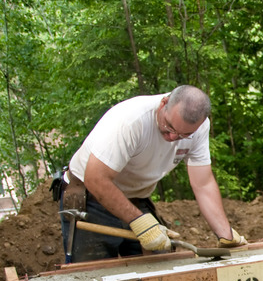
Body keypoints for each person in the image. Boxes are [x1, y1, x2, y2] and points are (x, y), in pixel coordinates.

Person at [59, 85, 247, 263]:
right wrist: (139, 221)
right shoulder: (131, 121)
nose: (173, 138)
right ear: (164, 103)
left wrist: (226, 235)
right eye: (169, 127)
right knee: (94, 279)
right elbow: (96, 178)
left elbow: (203, 184)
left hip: (135, 199)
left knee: (156, 271)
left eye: (183, 135)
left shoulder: (198, 128)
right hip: (91, 199)